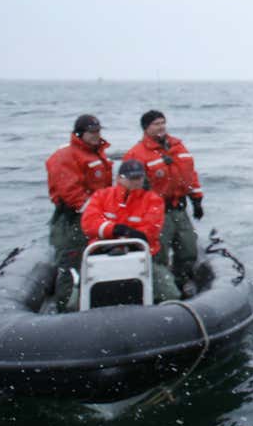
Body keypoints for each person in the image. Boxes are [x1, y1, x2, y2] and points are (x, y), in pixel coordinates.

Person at [77, 158, 180, 306]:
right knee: (74, 302)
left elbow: (150, 231)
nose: (136, 182)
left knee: (170, 294)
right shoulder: (102, 196)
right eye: (132, 178)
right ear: (119, 178)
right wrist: (115, 230)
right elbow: (89, 223)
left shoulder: (153, 200)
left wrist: (127, 236)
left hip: (141, 255)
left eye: (139, 177)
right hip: (102, 253)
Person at [126, 109, 204, 292]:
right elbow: (130, 189)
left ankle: (181, 281)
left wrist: (197, 200)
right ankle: (162, 289)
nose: (161, 127)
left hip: (179, 208)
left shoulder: (178, 147)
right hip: (157, 212)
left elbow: (190, 175)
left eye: (163, 122)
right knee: (158, 253)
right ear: (146, 128)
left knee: (188, 249)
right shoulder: (137, 154)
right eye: (156, 124)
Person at [45, 114, 113, 307]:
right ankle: (66, 307)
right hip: (73, 219)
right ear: (80, 133)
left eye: (98, 131)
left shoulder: (96, 154)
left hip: (94, 216)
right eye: (91, 132)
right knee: (71, 264)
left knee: (96, 257)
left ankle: (96, 300)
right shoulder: (66, 156)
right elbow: (70, 191)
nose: (96, 135)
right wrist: (94, 211)